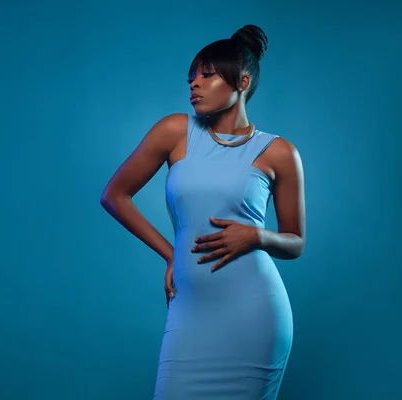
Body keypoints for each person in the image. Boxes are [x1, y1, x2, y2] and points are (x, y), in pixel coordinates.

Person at [100, 24, 306, 399]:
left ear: (242, 82)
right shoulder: (175, 131)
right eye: (192, 77)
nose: (194, 84)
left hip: (255, 313)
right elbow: (114, 196)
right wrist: (171, 254)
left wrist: (257, 235)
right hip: (191, 309)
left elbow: (295, 242)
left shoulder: (280, 153)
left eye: (207, 75)